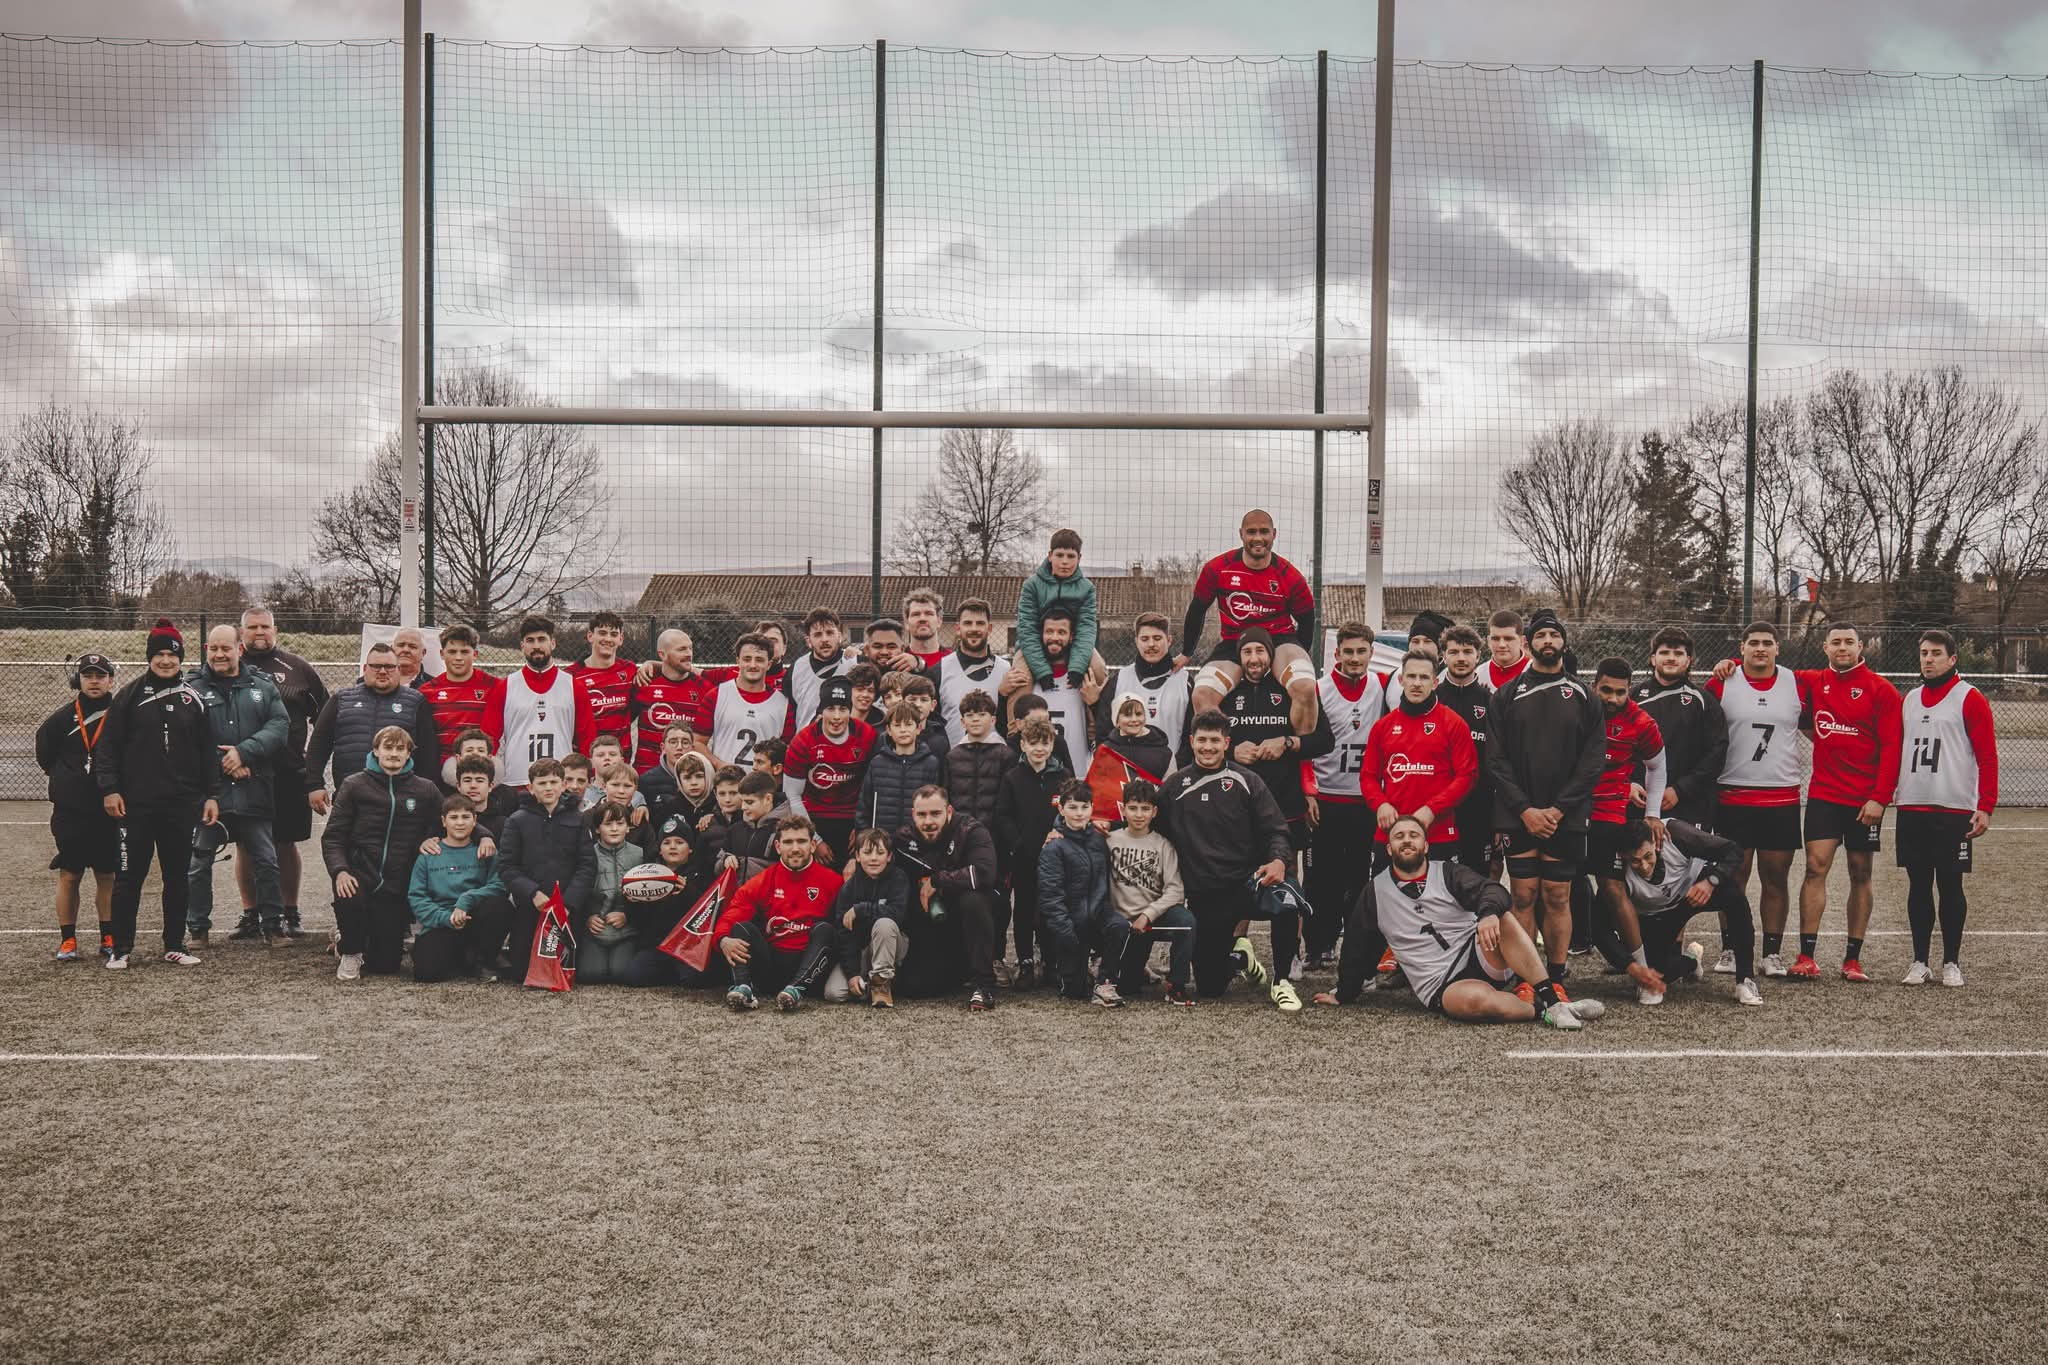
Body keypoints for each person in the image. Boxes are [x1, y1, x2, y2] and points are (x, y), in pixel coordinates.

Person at [1316, 817, 1603, 1030]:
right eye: (1399, 836)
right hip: (1440, 984)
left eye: (1414, 835)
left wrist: (1488, 914)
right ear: (1389, 849)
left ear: (1426, 845)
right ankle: (1543, 1010)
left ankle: (1553, 999)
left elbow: (1493, 891)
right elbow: (1357, 945)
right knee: (1475, 1003)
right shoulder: (1375, 892)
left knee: (1502, 917)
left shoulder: (1448, 872)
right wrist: (1344, 993)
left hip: (1478, 953)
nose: (1407, 840)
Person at [1187, 626, 1332, 993]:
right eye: (1247, 652)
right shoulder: (1224, 694)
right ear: (1239, 657)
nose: (1254, 659)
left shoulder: (1288, 690)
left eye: (1260, 652)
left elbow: (1323, 739)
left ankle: (1291, 953)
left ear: (1271, 656)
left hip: (1285, 803)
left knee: (1287, 876)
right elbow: (1193, 742)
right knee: (1239, 876)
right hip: (1235, 807)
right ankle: (1237, 948)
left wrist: (1287, 742)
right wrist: (1232, 749)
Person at [1486, 608, 1606, 995]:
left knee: (1558, 896)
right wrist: (1524, 809)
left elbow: (1593, 761)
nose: (1548, 641)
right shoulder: (1506, 695)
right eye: (1540, 636)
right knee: (1523, 895)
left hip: (1564, 816)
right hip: (1517, 815)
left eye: (1554, 635)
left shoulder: (1584, 695)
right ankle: (1528, 980)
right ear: (1528, 644)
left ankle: (1555, 978)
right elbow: (1495, 760)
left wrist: (1558, 809)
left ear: (1564, 643)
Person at [99, 620, 219, 969]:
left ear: (181, 658)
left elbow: (207, 752)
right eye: (159, 654)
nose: (166, 660)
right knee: (128, 878)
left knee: (177, 878)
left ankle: (174, 944)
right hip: (135, 807)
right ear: (149, 657)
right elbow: (107, 747)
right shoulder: (129, 696)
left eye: (172, 654)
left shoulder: (194, 699)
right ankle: (121, 948)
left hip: (181, 806)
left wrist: (212, 795)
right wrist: (110, 789)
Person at [1155, 710, 1292, 1004]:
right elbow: (1150, 830)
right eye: (1202, 740)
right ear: (1192, 741)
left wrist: (1279, 860)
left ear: (1226, 743)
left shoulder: (1248, 781)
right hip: (1206, 894)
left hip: (1247, 884)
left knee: (1289, 901)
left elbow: (1276, 829)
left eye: (1215, 741)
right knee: (1210, 988)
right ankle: (1240, 957)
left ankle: (1282, 981)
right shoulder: (1173, 787)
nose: (1208, 747)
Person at [1793, 624, 1902, 983]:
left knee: (1860, 872)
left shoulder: (1881, 690)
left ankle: (1852, 960)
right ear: (1825, 647)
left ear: (1860, 646)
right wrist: (1730, 665)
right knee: (1815, 867)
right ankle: (1806, 957)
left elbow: (1892, 748)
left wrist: (1879, 798)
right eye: (1836, 642)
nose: (1842, 647)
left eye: (1849, 642)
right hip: (1824, 794)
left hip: (1863, 801)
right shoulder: (1813, 682)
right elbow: (1766, 669)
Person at [1703, 621, 1809, 978]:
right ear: (1742, 648)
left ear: (1778, 647)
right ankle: (1732, 949)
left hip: (1781, 796)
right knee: (1732, 876)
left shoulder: (1797, 682)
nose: (1760, 648)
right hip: (1733, 793)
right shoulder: (1721, 682)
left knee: (1776, 876)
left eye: (1767, 642)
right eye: (1753, 643)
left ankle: (1772, 953)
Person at [1896, 629, 1998, 988]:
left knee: (1951, 885)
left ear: (1952, 659)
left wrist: (1985, 805)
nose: (1928, 659)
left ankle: (1951, 962)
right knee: (1918, 885)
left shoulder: (1969, 697)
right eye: (1924, 653)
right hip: (1912, 806)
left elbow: (1987, 755)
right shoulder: (1909, 699)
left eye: (1936, 653)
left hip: (1953, 808)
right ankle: (1920, 961)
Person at [185, 624, 290, 946]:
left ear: (239, 650)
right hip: (210, 795)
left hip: (254, 787)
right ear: (207, 650)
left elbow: (280, 726)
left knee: (267, 861)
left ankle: (272, 926)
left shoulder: (263, 686)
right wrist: (225, 763)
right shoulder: (191, 688)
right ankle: (198, 929)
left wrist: (245, 753)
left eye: (226, 648)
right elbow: (183, 736)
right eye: (214, 649)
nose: (220, 654)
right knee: (198, 863)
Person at [1181, 509, 1320, 732]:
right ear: (1241, 534)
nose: (1258, 538)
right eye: (1251, 532)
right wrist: (1186, 652)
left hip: (1279, 640)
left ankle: (1301, 749)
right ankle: (1225, 749)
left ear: (1274, 534)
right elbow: (1197, 609)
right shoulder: (1218, 568)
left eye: (1264, 532)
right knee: (1202, 694)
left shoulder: (1290, 576)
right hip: (1234, 641)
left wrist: (1297, 658)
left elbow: (1306, 620)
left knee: (1304, 687)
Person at [238, 605, 330, 938]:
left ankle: (290, 912)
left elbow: (325, 720)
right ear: (242, 632)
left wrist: (312, 769)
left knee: (285, 842)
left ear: (275, 630)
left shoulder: (298, 669)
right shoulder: (230, 666)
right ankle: (250, 914)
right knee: (245, 844)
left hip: (289, 772)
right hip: (244, 773)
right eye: (252, 627)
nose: (259, 632)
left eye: (265, 627)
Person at [322, 725, 442, 980]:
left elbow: (449, 821)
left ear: (409, 753)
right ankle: (350, 950)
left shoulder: (426, 789)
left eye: (400, 748)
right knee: (349, 894)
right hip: (359, 874)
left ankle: (349, 936)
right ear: (376, 751)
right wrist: (340, 870)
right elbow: (333, 837)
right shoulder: (354, 785)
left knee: (385, 965)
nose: (394, 753)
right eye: (388, 747)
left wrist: (481, 835)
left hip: (396, 882)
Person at [1584, 658, 1671, 1003]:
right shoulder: (1578, 709)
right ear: (1594, 685)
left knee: (1612, 888)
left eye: (1621, 692)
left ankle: (1643, 972)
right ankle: (1545, 973)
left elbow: (1657, 766)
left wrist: (1652, 814)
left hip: (1609, 813)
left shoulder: (1640, 721)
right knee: (1555, 889)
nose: (1613, 698)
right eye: (1606, 690)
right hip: (1570, 810)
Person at [1305, 622, 1387, 970]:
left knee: (1358, 879)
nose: (1355, 658)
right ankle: (1316, 946)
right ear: (1336, 654)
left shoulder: (1383, 686)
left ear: (1371, 653)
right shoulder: (1318, 689)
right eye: (1348, 652)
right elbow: (1304, 741)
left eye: (1361, 651)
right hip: (1325, 798)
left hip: (1364, 800)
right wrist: (1308, 790)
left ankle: (1353, 947)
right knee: (1320, 878)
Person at [1616, 818, 1763, 1006]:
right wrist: (1632, 966)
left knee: (1734, 896)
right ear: (1624, 857)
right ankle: (1692, 961)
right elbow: (1599, 927)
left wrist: (1711, 882)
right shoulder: (1616, 875)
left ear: (1655, 843)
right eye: (1635, 861)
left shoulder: (1675, 836)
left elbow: (1733, 850)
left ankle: (1745, 979)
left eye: (1648, 856)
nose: (1644, 866)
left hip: (1692, 890)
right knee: (1659, 973)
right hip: (1663, 911)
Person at [1359, 649, 1478, 869]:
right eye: (1411, 676)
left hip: (1438, 834)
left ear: (1435, 683)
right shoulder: (1383, 726)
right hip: (1391, 834)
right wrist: (1381, 804)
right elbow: (1368, 777)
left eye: (1423, 677)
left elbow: (1467, 776)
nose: (1416, 683)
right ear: (1401, 680)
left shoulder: (1453, 723)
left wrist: (1432, 809)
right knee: (1384, 892)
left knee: (1440, 892)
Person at [714, 814, 846, 1012]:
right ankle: (743, 988)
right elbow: (733, 913)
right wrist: (722, 940)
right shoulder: (764, 880)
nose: (795, 848)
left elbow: (844, 931)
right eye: (788, 842)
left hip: (811, 969)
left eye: (801, 841)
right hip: (772, 967)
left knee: (825, 929)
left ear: (812, 845)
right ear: (778, 846)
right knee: (740, 927)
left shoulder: (833, 882)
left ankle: (796, 989)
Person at [37, 652, 121, 962]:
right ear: (78, 680)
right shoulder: (60, 719)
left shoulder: (121, 715)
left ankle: (108, 936)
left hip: (108, 810)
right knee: (70, 874)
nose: (94, 681)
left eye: (100, 675)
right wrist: (69, 781)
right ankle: (68, 940)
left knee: (106, 875)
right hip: (71, 812)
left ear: (111, 680)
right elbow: (45, 756)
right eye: (88, 675)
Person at [893, 786, 1003, 1010]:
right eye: (922, 814)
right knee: (916, 987)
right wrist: (854, 861)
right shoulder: (904, 839)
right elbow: (879, 857)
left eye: (936, 813)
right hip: (938, 919)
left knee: (973, 899)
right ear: (913, 814)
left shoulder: (971, 830)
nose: (928, 821)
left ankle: (984, 983)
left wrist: (937, 881)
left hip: (977, 913)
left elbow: (984, 873)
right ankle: (959, 969)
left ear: (949, 811)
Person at [307, 641, 439, 816]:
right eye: (376, 666)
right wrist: (314, 785)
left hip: (400, 799)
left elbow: (429, 754)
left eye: (389, 667)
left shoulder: (416, 702)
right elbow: (318, 744)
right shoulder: (342, 700)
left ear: (398, 669)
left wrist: (422, 793)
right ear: (364, 669)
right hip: (350, 797)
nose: (382, 671)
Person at [496, 756, 598, 980]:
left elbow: (587, 865)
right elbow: (507, 866)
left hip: (568, 908)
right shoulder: (516, 821)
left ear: (563, 785)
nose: (548, 788)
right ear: (531, 788)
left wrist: (568, 903)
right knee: (521, 973)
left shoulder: (578, 819)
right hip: (531, 906)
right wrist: (532, 893)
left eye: (553, 782)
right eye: (542, 783)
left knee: (573, 972)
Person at [1038, 779, 1130, 1006]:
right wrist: (1066, 933)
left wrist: (1107, 823)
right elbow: (1051, 897)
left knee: (1119, 925)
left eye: (1084, 807)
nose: (1079, 813)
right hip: (1072, 922)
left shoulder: (1099, 838)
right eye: (1072, 807)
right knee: (1075, 993)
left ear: (1092, 807)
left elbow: (1129, 824)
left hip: (1098, 913)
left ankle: (1105, 981)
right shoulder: (1054, 846)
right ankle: (1075, 970)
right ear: (1061, 809)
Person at [1105, 778, 1195, 1004]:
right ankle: (1133, 971)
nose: (1139, 814)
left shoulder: (1163, 845)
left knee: (1186, 922)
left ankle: (1176, 984)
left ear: (1154, 812)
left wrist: (1148, 915)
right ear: (1123, 809)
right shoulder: (1109, 840)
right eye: (1133, 808)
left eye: (1145, 809)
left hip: (1153, 919)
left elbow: (1175, 890)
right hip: (1124, 924)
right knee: (1128, 989)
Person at [992, 714, 1065, 988]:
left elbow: (1070, 812)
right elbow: (1003, 815)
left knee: (1049, 909)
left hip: (1054, 857)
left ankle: (1050, 960)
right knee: (1023, 909)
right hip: (1024, 857)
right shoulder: (1013, 777)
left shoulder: (1063, 776)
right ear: (1023, 745)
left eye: (1044, 743)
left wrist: (1061, 837)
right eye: (1033, 743)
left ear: (1052, 745)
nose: (1039, 749)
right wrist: (1018, 844)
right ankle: (1024, 962)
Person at [408, 794, 507, 983]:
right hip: (442, 922)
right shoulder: (429, 854)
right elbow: (417, 897)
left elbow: (499, 886)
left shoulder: (486, 851)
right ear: (444, 821)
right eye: (454, 817)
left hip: (475, 919)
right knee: (426, 974)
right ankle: (456, 957)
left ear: (475, 820)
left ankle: (484, 960)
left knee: (499, 906)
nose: (460, 823)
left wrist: (467, 900)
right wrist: (446, 918)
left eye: (465, 817)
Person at [481, 616, 590, 788]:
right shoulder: (505, 686)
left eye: (542, 639)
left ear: (552, 643)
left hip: (560, 784)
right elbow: (489, 738)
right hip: (517, 782)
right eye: (530, 640)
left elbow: (587, 738)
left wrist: (585, 776)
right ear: (522, 645)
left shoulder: (574, 686)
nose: (536, 646)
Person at [783, 675, 877, 865]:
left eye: (843, 709)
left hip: (853, 817)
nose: (836, 717)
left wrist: (863, 827)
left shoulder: (867, 735)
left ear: (850, 710)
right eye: (830, 708)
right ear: (821, 710)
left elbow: (875, 788)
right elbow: (792, 795)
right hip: (814, 817)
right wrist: (814, 839)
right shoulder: (803, 741)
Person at [1435, 624, 1500, 876]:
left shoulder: (1491, 702)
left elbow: (1498, 761)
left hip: (1479, 806)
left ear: (1478, 655)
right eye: (1454, 652)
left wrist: (1498, 816)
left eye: (1467, 652)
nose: (1461, 658)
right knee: (1440, 877)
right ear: (1443, 656)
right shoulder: (1433, 698)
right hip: (1439, 807)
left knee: (1477, 878)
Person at [822, 828, 914, 1007]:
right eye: (867, 852)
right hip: (863, 949)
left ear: (889, 856)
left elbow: (897, 914)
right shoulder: (849, 888)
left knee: (884, 923)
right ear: (857, 856)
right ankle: (868, 983)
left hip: (893, 944)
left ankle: (881, 986)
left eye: (880, 853)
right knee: (834, 993)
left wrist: (861, 909)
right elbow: (844, 933)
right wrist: (852, 973)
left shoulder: (898, 878)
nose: (873, 858)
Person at [1003, 604, 1095, 776]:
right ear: (1040, 635)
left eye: (1061, 632)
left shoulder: (1084, 678)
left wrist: (1095, 703)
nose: (1054, 637)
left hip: (1077, 773)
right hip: (1033, 777)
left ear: (1072, 637)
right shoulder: (1024, 679)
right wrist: (1002, 694)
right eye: (1049, 631)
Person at [579, 801, 656, 984]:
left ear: (628, 828)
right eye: (608, 824)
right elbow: (579, 891)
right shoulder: (587, 855)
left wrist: (627, 915)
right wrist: (587, 917)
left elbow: (647, 898)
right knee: (590, 975)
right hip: (595, 930)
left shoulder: (639, 855)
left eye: (620, 823)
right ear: (597, 829)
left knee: (620, 973)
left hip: (626, 931)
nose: (614, 829)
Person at [1096, 611, 1191, 756]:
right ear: (1136, 642)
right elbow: (1104, 732)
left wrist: (1177, 767)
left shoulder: (1185, 681)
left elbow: (1191, 735)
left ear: (1169, 640)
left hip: (1172, 768)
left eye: (1157, 638)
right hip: (1127, 769)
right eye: (1145, 639)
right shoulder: (1120, 679)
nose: (1151, 644)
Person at [1016, 529, 1098, 691]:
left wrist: (1077, 667)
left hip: (1072, 645)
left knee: (1099, 671)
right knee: (1019, 679)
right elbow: (1027, 628)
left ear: (1079, 558)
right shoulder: (1032, 585)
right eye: (1059, 555)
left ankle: (1095, 709)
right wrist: (1041, 670)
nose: (1065, 562)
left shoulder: (1087, 589)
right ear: (1050, 555)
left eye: (1071, 556)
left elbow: (1086, 629)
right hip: (1036, 646)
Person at [625, 629, 718, 772]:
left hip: (686, 775)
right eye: (681, 649)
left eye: (690, 648)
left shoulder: (705, 688)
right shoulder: (645, 682)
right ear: (662, 654)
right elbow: (623, 723)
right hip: (646, 773)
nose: (689, 654)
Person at [707, 632, 792, 769]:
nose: (753, 665)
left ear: (769, 664)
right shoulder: (716, 695)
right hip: (724, 781)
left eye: (759, 660)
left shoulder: (784, 704)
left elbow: (787, 750)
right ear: (738, 661)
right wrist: (719, 765)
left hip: (763, 781)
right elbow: (698, 742)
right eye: (747, 659)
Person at [855, 701, 942, 836]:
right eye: (897, 725)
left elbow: (938, 807)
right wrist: (866, 837)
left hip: (917, 840)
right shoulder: (877, 763)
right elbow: (863, 807)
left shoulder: (931, 764)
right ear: (889, 730)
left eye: (908, 724)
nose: (903, 730)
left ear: (918, 728)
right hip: (882, 841)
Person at [421, 624, 502, 769]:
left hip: (480, 769)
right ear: (442, 654)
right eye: (452, 652)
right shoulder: (427, 691)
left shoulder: (494, 686)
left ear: (475, 654)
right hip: (440, 770)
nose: (458, 657)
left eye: (464, 652)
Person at [933, 599, 1010, 745]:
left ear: (990, 628)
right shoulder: (940, 670)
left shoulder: (1006, 670)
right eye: (968, 623)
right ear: (958, 628)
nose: (974, 629)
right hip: (952, 757)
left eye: (980, 623)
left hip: (996, 757)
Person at [944, 690, 1012, 833]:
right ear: (962, 722)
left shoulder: (1005, 755)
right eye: (969, 715)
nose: (975, 719)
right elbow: (946, 796)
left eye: (982, 714)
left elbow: (1008, 800)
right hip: (960, 831)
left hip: (994, 833)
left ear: (993, 720)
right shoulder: (952, 757)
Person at [782, 608, 857, 732]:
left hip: (845, 740)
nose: (824, 639)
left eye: (829, 633)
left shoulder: (854, 663)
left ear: (839, 636)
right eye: (817, 634)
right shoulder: (796, 669)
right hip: (806, 741)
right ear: (808, 641)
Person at [573, 610, 637, 752]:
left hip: (620, 759)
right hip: (587, 758)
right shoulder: (572, 676)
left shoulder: (629, 670)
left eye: (613, 634)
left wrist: (652, 663)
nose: (608, 639)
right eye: (602, 633)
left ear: (621, 639)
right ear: (590, 636)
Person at [1382, 610, 1454, 708]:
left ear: (1439, 647)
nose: (1420, 647)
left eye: (1427, 641)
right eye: (1415, 641)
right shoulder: (1395, 676)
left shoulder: (1451, 678)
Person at [902, 587, 950, 669]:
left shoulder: (953, 661)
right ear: (906, 623)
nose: (922, 619)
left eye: (929, 614)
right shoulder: (899, 661)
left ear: (939, 621)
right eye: (916, 614)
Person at [1484, 609, 1531, 691]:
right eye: (1495, 639)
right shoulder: (1479, 674)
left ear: (1522, 641)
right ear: (1488, 641)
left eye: (1508, 639)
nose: (1502, 645)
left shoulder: (1537, 672)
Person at [389, 626, 430, 691]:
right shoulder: (376, 682)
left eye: (412, 646)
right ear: (391, 649)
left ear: (423, 653)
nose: (406, 650)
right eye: (401, 645)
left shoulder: (436, 686)